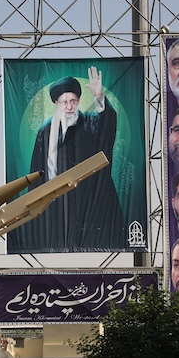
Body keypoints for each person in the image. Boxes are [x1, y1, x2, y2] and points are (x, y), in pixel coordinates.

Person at [26, 68, 124, 251]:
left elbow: (108, 122)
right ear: (56, 103)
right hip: (57, 202)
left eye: (73, 101)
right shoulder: (45, 130)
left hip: (89, 199)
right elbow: (37, 169)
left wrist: (99, 96)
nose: (69, 106)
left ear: (78, 101)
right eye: (64, 102)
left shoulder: (91, 122)